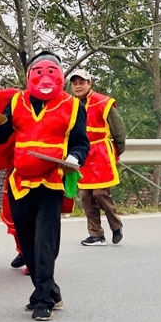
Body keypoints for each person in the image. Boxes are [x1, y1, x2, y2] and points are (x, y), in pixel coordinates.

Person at [0, 52, 89, 322]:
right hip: (20, 182)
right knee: (27, 245)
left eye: (51, 71)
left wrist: (73, 158)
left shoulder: (72, 106)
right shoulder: (17, 102)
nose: (45, 77)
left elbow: (81, 143)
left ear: (59, 75)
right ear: (29, 76)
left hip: (51, 182)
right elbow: (1, 134)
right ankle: (51, 291)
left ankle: (42, 300)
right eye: (38, 72)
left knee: (44, 243)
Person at [68, 69, 127, 247]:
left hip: (101, 152)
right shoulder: (70, 104)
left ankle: (116, 225)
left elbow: (119, 130)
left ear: (89, 84)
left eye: (82, 83)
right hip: (83, 153)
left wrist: (117, 151)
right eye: (75, 83)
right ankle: (96, 234)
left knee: (101, 193)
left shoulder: (103, 102)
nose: (78, 86)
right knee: (86, 196)